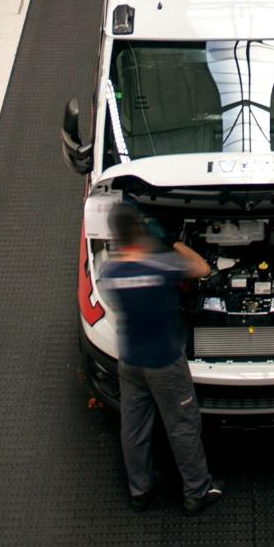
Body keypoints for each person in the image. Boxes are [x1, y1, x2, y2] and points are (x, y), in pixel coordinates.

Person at [98, 204, 224, 515]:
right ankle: (197, 490)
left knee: (134, 427)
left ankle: (140, 490)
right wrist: (174, 241)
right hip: (165, 362)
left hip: (131, 361)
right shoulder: (160, 266)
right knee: (182, 425)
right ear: (139, 229)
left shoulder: (111, 272)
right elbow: (202, 268)